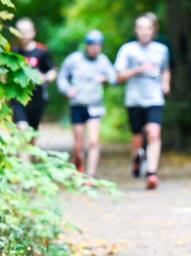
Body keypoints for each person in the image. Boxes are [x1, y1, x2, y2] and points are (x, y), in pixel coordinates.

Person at [115, 14, 171, 190]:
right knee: (137, 137)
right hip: (134, 100)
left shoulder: (162, 49)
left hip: (155, 99)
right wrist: (138, 69)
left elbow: (166, 69)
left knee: (154, 133)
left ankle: (151, 173)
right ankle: (137, 158)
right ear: (136, 30)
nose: (144, 32)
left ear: (153, 30)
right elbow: (119, 76)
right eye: (140, 28)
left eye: (147, 28)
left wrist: (166, 83)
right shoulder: (127, 50)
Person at [56, 30, 116, 177]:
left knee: (94, 141)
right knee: (78, 143)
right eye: (92, 45)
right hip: (77, 104)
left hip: (95, 104)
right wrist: (67, 89)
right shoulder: (74, 59)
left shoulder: (103, 61)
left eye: (98, 45)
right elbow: (61, 78)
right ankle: (79, 165)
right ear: (86, 45)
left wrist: (105, 78)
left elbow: (114, 77)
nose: (95, 48)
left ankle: (91, 174)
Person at [9, 18, 57, 138]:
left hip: (37, 97)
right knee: (22, 130)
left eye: (26, 31)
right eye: (20, 31)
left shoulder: (42, 51)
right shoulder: (12, 52)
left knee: (32, 133)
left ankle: (32, 155)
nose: (24, 35)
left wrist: (45, 78)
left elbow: (53, 70)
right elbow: (5, 72)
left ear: (33, 32)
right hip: (18, 97)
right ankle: (23, 157)